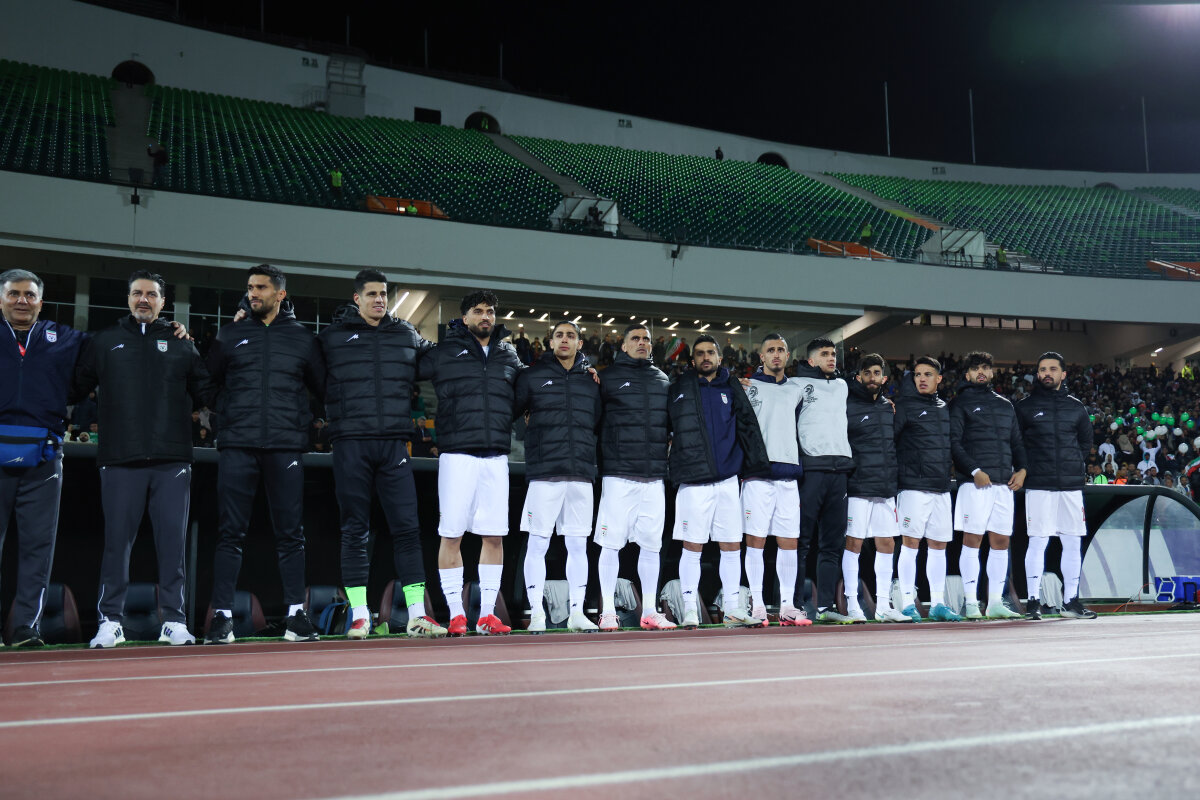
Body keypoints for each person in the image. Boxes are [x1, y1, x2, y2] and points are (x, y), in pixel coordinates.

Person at [75, 270, 216, 648]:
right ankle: (110, 621)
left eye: (151, 294)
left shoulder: (182, 344)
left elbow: (208, 391)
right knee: (116, 546)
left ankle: (174, 620)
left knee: (172, 546)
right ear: (128, 298)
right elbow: (74, 386)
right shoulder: (105, 341)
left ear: (162, 302)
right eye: (137, 293)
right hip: (120, 458)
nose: (143, 299)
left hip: (172, 460)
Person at [318, 269, 445, 639]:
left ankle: (418, 614)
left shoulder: (405, 333)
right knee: (354, 530)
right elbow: (307, 372)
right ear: (356, 298)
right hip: (351, 443)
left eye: (384, 294)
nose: (379, 299)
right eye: (372, 294)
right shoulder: (332, 337)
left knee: (407, 528)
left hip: (393, 445)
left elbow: (439, 359)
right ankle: (360, 615)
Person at [205, 264, 326, 644]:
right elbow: (207, 382)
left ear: (280, 294)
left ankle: (295, 616)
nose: (253, 293)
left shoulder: (303, 338)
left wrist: (300, 421)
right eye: (250, 287)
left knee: (291, 533)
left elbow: (322, 388)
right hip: (237, 445)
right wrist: (228, 415)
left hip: (285, 445)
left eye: (260, 287)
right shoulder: (230, 333)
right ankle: (221, 617)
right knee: (230, 533)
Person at [420, 290, 524, 636]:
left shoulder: (508, 354)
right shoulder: (444, 351)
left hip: (496, 457)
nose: (485, 316)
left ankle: (486, 615)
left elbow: (530, 386)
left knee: (494, 536)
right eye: (478, 311)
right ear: (464, 318)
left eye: (490, 311)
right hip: (457, 455)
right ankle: (456, 614)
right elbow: (405, 367)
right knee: (451, 534)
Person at [0, 269, 87, 647]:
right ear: (1, 299)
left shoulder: (64, 337)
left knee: (38, 547)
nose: (22, 300)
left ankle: (25, 627)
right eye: (14, 294)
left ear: (41, 301)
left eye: (29, 295)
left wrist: (169, 329)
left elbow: (111, 351)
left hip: (44, 457)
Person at [668, 335, 770, 628]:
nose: (705, 357)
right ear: (692, 360)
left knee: (731, 546)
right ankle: (690, 608)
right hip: (694, 481)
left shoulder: (733, 386)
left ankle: (732, 609)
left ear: (719, 357)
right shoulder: (678, 388)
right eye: (700, 354)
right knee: (692, 547)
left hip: (727, 480)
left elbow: (748, 426)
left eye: (710, 353)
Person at [515, 321, 601, 632]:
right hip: (545, 472)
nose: (565, 339)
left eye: (571, 335)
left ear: (580, 343)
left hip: (580, 473)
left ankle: (577, 613)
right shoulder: (532, 376)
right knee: (537, 544)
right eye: (559, 335)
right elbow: (513, 413)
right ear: (550, 342)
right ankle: (536, 613)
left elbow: (597, 422)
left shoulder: (592, 382)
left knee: (578, 545)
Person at [593, 325, 676, 631]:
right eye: (635, 339)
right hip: (618, 474)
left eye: (646, 339)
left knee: (652, 546)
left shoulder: (662, 379)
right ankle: (607, 610)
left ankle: (650, 610)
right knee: (610, 545)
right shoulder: (607, 378)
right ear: (624, 346)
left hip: (653, 476)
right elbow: (593, 421)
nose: (642, 343)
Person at [1016, 351, 1096, 620]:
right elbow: (1017, 444)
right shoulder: (1025, 407)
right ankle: (1033, 602)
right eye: (1042, 369)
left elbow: (1085, 443)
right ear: (1037, 374)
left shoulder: (1076, 407)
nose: (1046, 373)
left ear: (1063, 374)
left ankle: (1070, 601)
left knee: (1072, 542)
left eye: (1052, 369)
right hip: (1039, 484)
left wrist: (1070, 465)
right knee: (1038, 542)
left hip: (1070, 486)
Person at [949, 351, 1026, 621]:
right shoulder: (959, 403)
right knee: (972, 540)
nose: (980, 372)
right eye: (975, 368)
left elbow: (1016, 442)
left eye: (985, 367)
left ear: (992, 372)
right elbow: (953, 443)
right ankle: (971, 602)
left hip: (1004, 484)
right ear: (967, 374)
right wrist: (974, 470)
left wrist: (1023, 469)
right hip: (975, 484)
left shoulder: (1005, 405)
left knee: (1001, 542)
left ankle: (994, 602)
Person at [741, 334, 808, 626]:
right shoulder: (747, 386)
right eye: (771, 350)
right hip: (757, 474)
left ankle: (787, 605)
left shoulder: (796, 390)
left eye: (781, 349)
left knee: (789, 541)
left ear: (788, 356)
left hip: (789, 474)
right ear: (762, 357)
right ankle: (757, 605)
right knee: (755, 541)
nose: (776, 354)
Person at [792, 338, 857, 623]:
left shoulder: (842, 385)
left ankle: (826, 607)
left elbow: (867, 394)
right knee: (801, 542)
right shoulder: (796, 385)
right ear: (811, 360)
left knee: (832, 544)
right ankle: (793, 605)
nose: (832, 358)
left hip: (839, 471)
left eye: (833, 354)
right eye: (825, 354)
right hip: (811, 471)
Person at [894, 356, 960, 622]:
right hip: (913, 487)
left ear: (939, 379)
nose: (921, 379)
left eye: (927, 374)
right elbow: (890, 443)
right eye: (918, 374)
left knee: (938, 546)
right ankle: (907, 603)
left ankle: (938, 603)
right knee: (910, 544)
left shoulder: (945, 408)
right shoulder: (903, 406)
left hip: (941, 488)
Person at [844, 354, 910, 623]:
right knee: (853, 544)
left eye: (876, 373)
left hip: (884, 487)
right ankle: (852, 605)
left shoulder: (888, 407)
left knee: (887, 543)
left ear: (884, 378)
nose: (872, 378)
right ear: (858, 376)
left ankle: (883, 606)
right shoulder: (846, 405)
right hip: (857, 486)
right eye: (867, 373)